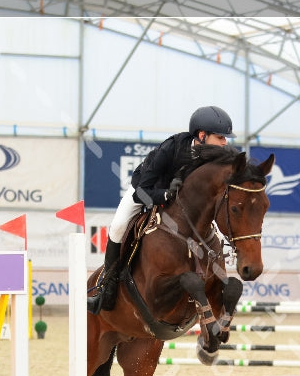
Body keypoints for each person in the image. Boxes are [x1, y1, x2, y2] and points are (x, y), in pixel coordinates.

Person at [88, 105, 236, 314]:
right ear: (202, 135)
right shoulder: (172, 148)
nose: (225, 142)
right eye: (220, 137)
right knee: (118, 226)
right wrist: (165, 195)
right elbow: (142, 191)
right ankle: (106, 287)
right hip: (147, 189)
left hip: (182, 207)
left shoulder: (216, 157)